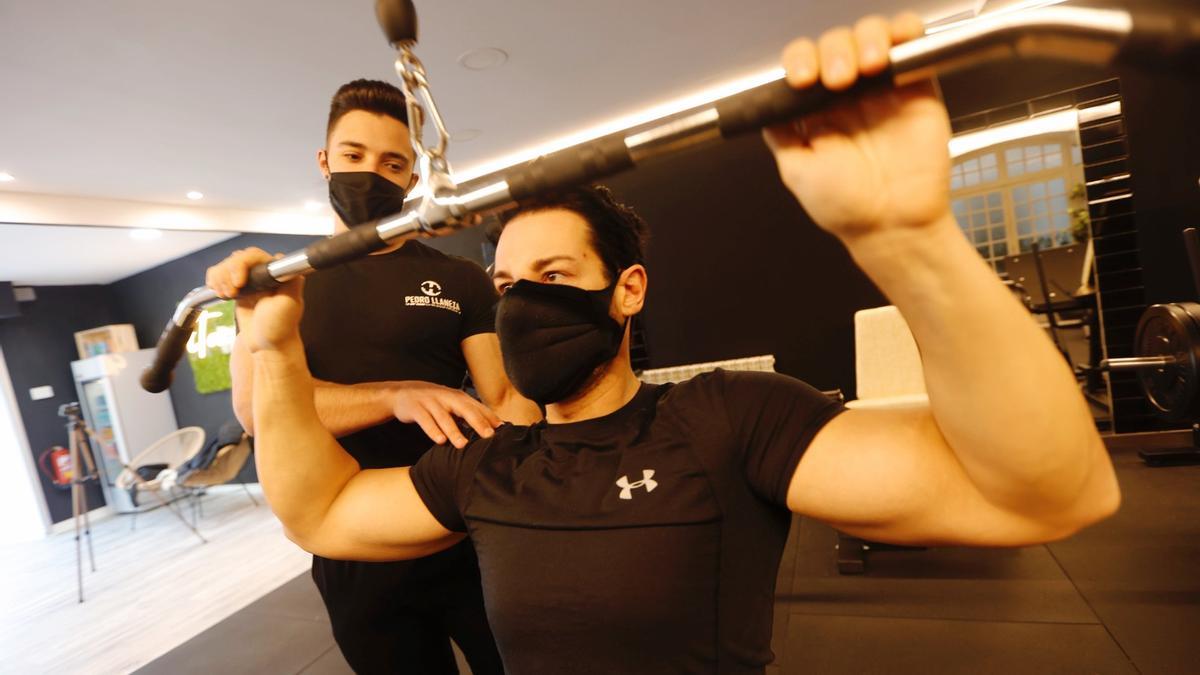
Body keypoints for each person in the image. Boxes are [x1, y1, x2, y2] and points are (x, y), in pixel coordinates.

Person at [231, 14, 1121, 674]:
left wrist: (906, 233)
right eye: (504, 286)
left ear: (627, 289)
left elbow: (1046, 495)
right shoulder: (489, 466)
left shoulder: (724, 419)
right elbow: (319, 513)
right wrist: (272, 353)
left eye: (552, 273)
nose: (518, 304)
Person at [207, 79, 539, 674]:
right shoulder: (281, 287)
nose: (370, 174)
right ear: (325, 160)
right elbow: (258, 412)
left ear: (412, 178)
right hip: (350, 540)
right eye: (353, 155)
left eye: (392, 163)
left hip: (463, 529)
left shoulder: (460, 279)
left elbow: (506, 396)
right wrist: (394, 397)